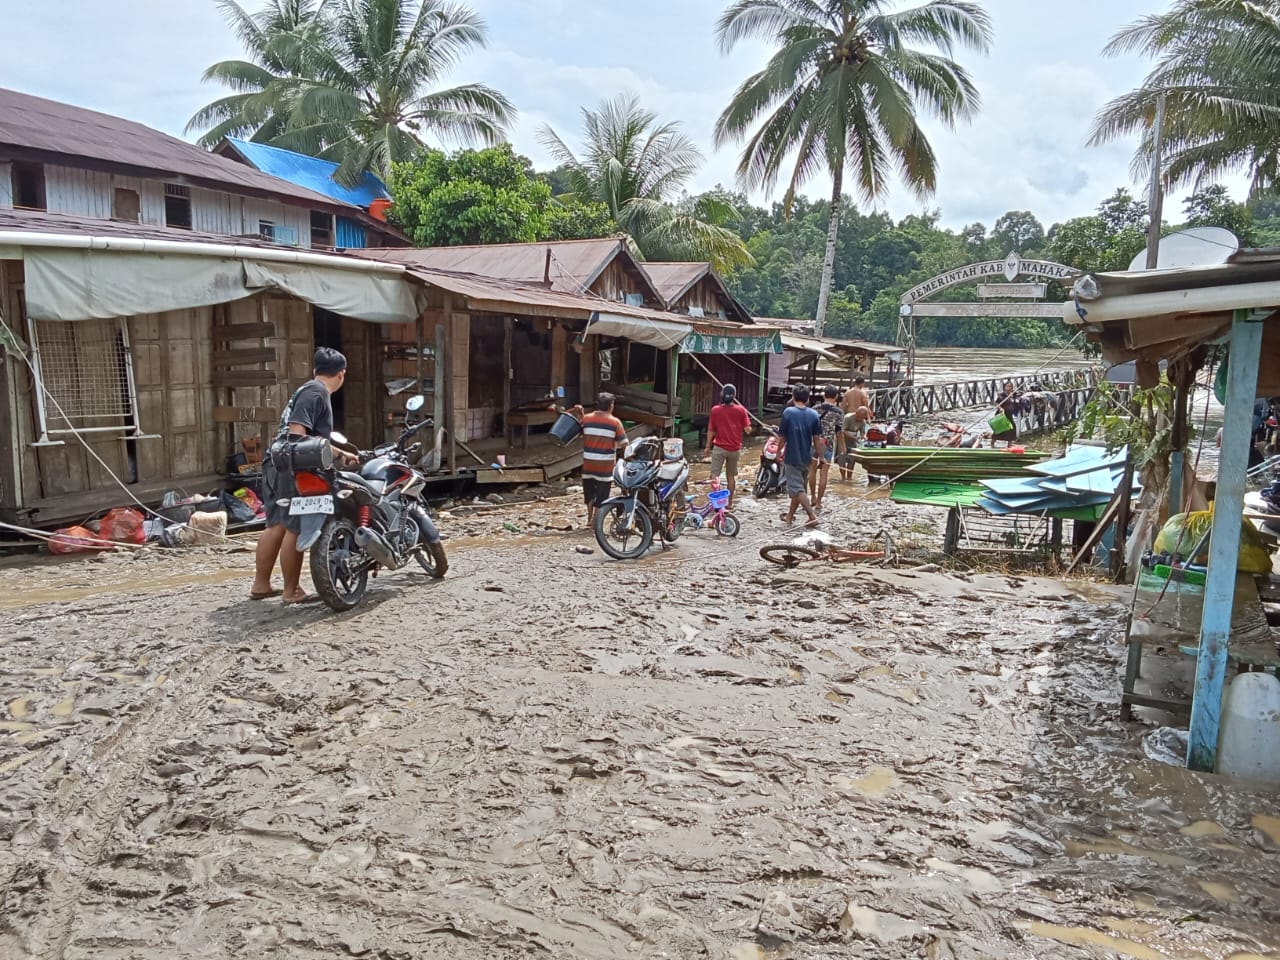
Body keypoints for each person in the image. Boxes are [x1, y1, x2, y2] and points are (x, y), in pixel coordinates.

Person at [251, 347, 351, 604]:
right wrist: (338, 455)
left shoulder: (306, 389)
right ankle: (291, 590)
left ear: (315, 370)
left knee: (277, 525)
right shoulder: (317, 392)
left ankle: (261, 585)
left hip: (277, 461)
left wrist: (338, 451)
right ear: (341, 374)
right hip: (291, 465)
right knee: (294, 526)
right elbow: (298, 434)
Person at [578, 392, 628, 526]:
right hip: (605, 467)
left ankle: (589, 520)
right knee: (602, 495)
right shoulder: (615, 422)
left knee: (589, 493)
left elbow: (578, 434)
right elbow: (624, 444)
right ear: (611, 406)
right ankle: (595, 521)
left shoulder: (586, 419)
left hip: (588, 464)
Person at [778, 384, 822, 526]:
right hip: (806, 457)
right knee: (799, 489)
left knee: (797, 489)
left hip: (792, 456)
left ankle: (812, 515)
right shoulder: (814, 414)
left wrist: (779, 451)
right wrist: (821, 456)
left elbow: (783, 437)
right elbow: (817, 439)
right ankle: (790, 517)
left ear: (793, 397)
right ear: (807, 399)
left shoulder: (788, 412)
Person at [704, 384, 752, 506]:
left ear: (722, 394)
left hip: (719, 448)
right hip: (734, 449)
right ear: (734, 396)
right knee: (731, 477)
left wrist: (707, 447)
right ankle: (729, 503)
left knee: (714, 475)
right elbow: (748, 430)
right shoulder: (741, 410)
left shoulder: (715, 410)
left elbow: (711, 430)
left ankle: (716, 503)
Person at [809, 384, 844, 510]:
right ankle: (818, 502)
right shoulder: (839, 412)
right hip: (828, 445)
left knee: (811, 471)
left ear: (824, 395)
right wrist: (842, 447)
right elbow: (839, 432)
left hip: (814, 442)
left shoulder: (814, 409)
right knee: (824, 474)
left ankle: (812, 497)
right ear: (836, 397)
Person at [841, 377, 872, 481]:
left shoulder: (847, 393)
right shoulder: (863, 393)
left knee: (848, 456)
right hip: (857, 417)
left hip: (854, 417)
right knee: (849, 455)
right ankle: (848, 477)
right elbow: (867, 406)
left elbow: (843, 406)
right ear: (862, 384)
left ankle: (845, 478)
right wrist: (868, 419)